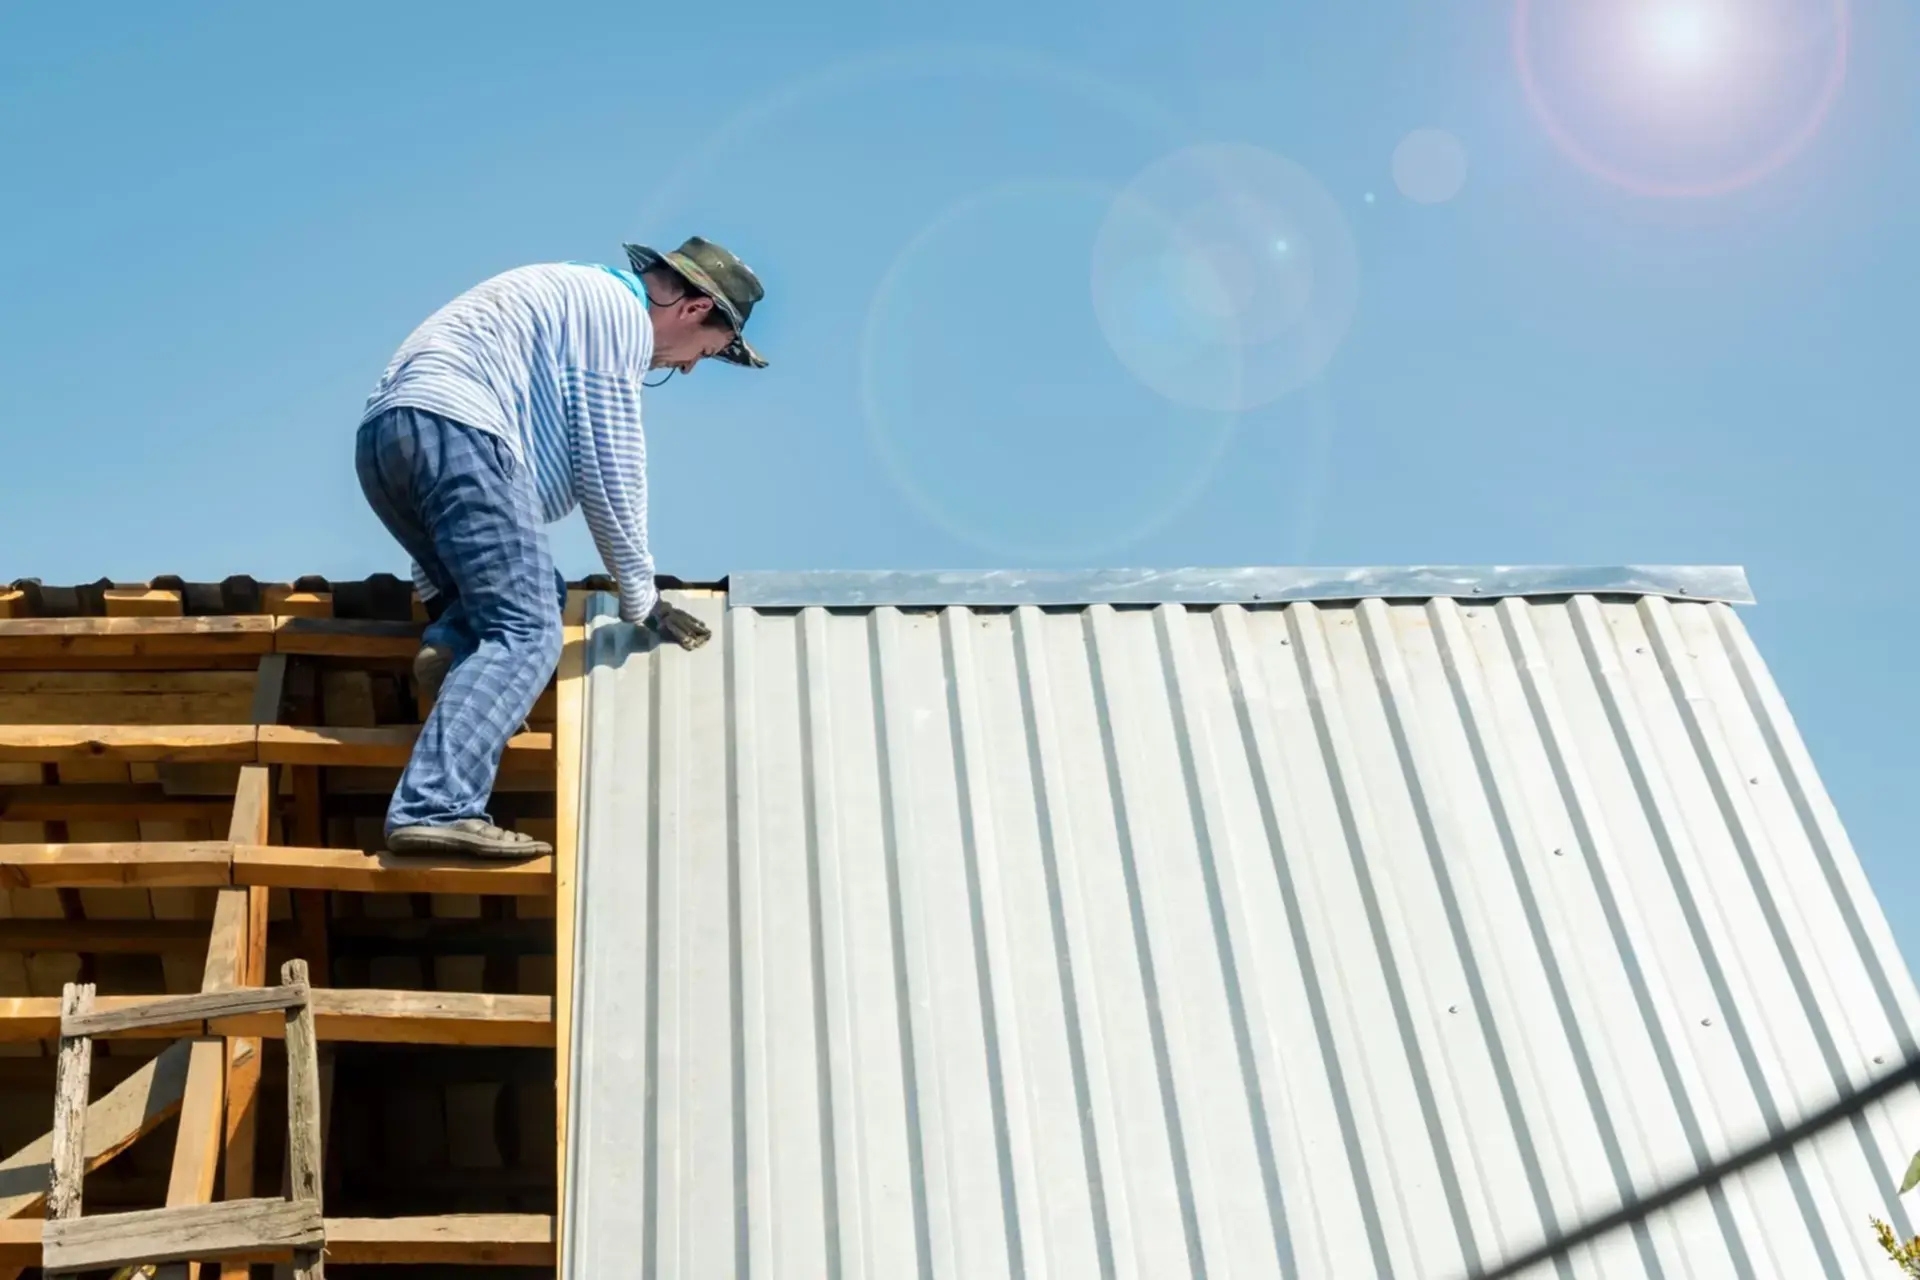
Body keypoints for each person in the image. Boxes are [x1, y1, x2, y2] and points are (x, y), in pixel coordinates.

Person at [354, 237, 766, 858]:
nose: (685, 368)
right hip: (461, 429)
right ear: (693, 307)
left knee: (531, 591)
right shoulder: (617, 319)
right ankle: (437, 806)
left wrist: (443, 601)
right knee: (527, 630)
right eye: (703, 353)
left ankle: (454, 649)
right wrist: (641, 597)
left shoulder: (572, 295)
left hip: (388, 438)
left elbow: (472, 505)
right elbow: (612, 467)